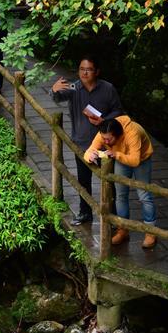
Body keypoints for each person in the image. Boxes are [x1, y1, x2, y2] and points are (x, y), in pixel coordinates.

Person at [51, 55, 125, 225]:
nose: (84, 73)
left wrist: (104, 120)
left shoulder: (108, 88)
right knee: (83, 180)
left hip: (104, 143)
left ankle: (112, 217)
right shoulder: (74, 86)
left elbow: (119, 111)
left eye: (89, 69)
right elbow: (57, 97)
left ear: (97, 72)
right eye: (82, 69)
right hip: (82, 142)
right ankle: (85, 213)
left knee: (108, 181)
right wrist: (54, 90)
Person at [85, 116, 158, 249]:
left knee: (144, 195)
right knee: (120, 195)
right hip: (120, 156)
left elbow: (135, 160)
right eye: (104, 138)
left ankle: (151, 232)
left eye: (108, 139)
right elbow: (90, 150)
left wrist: (116, 154)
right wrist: (90, 156)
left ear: (118, 135)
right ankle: (122, 229)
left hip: (141, 159)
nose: (105, 141)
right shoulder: (104, 132)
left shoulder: (133, 132)